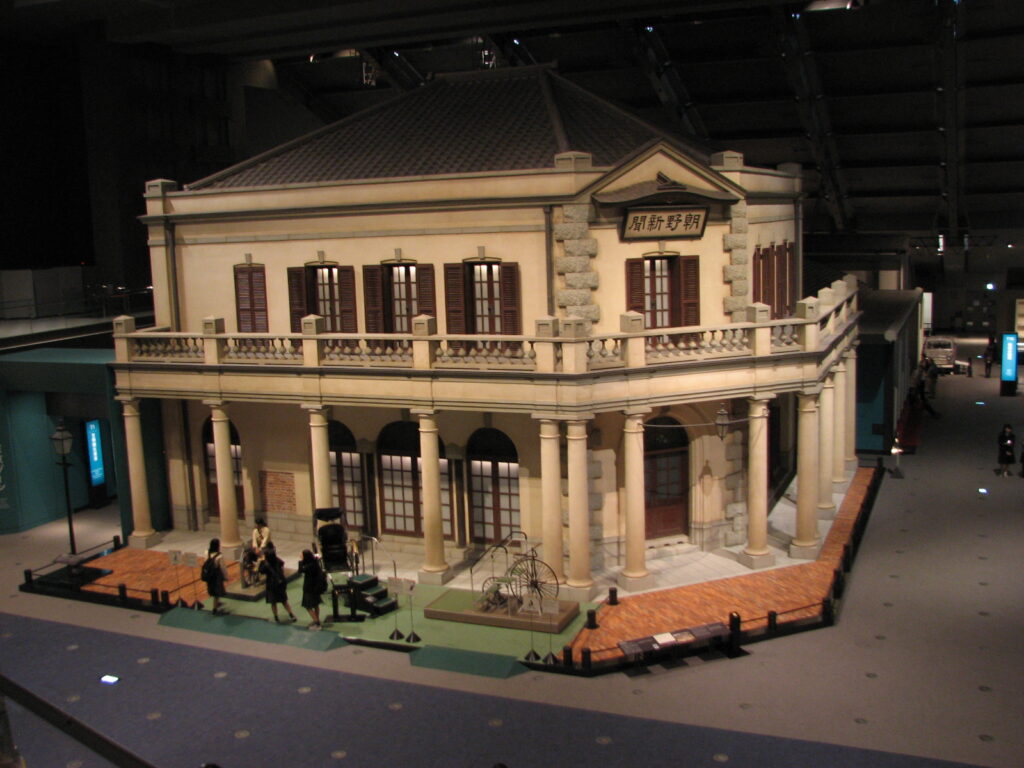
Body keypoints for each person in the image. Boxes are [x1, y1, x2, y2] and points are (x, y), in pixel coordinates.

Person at [259, 542, 297, 623]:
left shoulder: (265, 563)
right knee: (284, 601)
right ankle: (291, 615)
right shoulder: (277, 560)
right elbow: (282, 565)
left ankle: (276, 617)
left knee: (273, 602)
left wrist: (262, 561)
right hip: (280, 583)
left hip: (271, 584)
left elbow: (261, 571)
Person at [298, 549, 327, 630]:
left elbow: (300, 571)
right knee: (315, 604)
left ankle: (317, 623)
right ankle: (316, 620)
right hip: (315, 587)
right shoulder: (314, 563)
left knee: (308, 606)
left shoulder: (309, 566)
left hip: (309, 588)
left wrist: (300, 561)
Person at [202, 538, 230, 615]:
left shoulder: (206, 552)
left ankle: (217, 603)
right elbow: (222, 567)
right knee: (217, 592)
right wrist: (226, 577)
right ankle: (215, 609)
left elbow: (205, 562)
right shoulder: (219, 556)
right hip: (216, 576)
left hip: (209, 575)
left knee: (212, 589)